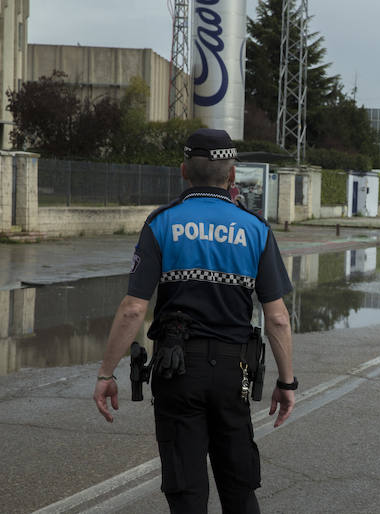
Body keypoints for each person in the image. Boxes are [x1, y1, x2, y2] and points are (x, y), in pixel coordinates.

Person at [93, 128, 296, 514]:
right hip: (235, 373)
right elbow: (278, 319)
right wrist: (287, 382)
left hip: (178, 371)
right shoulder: (255, 228)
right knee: (239, 490)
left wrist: (106, 374)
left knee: (186, 493)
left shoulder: (161, 223)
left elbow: (134, 308)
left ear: (183, 170)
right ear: (232, 175)